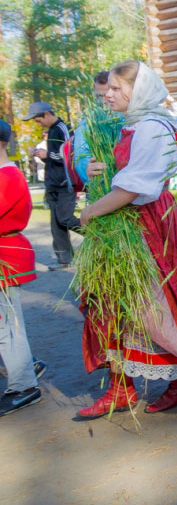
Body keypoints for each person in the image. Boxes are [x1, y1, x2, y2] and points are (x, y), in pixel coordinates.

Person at [77, 60, 177, 419]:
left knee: (156, 304)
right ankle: (120, 387)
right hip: (126, 223)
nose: (107, 94)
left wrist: (90, 212)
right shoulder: (131, 124)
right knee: (114, 300)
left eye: (116, 88)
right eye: (108, 88)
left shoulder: (152, 127)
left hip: (149, 226)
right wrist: (93, 168)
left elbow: (134, 188)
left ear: (137, 91)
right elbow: (121, 174)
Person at [0, 119, 46, 417]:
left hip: (4, 257)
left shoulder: (8, 176)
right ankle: (26, 366)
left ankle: (24, 386)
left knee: (6, 325)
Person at [23, 102, 78, 271]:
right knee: (56, 224)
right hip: (52, 183)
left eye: (38, 120)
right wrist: (43, 156)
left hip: (65, 183)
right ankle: (64, 260)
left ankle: (95, 233)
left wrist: (48, 154)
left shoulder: (62, 128)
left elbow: (71, 154)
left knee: (65, 219)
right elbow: (55, 158)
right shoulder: (52, 130)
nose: (38, 124)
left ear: (46, 114)